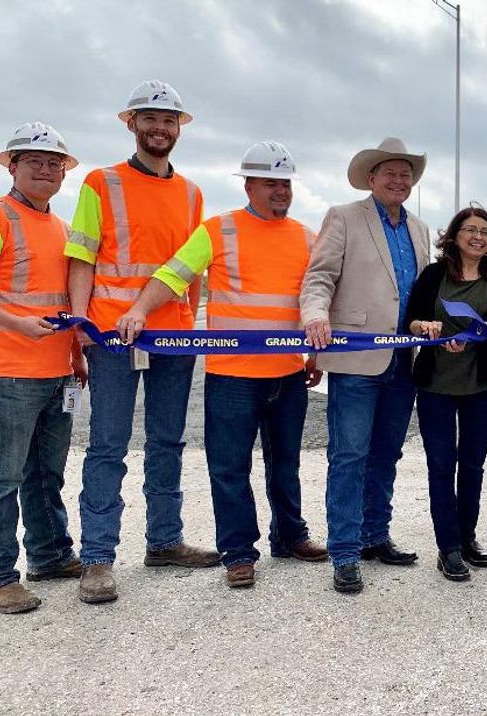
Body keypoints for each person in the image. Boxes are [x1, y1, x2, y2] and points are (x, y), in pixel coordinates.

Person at [114, 141, 329, 589]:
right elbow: (173, 276)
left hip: (288, 374)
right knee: (229, 468)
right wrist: (139, 309)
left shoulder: (308, 237)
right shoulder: (219, 231)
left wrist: (315, 355)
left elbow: (315, 298)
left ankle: (290, 536)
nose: (280, 191)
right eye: (270, 183)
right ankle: (238, 552)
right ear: (248, 185)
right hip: (232, 375)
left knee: (285, 463)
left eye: (285, 183)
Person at [65, 80, 218, 605]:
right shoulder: (99, 183)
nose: (160, 128)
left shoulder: (193, 193)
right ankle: (98, 558)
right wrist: (81, 327)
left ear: (179, 129)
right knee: (108, 446)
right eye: (150, 119)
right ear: (131, 124)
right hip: (110, 334)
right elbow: (81, 257)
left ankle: (165, 540)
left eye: (169, 120)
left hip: (173, 336)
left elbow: (192, 269)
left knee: (168, 441)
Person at [0, 123, 85, 613]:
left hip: (54, 371)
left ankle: (50, 554)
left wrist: (75, 355)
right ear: (12, 166)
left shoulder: (59, 228)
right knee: (1, 477)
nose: (45, 169)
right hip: (4, 373)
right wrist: (16, 324)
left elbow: (61, 303)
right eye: (33, 160)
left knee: (44, 475)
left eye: (54, 162)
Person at [301, 137, 430, 594]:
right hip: (356, 356)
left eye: (406, 173)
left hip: (404, 358)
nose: (399, 180)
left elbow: (420, 291)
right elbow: (319, 276)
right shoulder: (344, 217)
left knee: (386, 453)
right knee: (350, 455)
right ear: (371, 178)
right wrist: (315, 315)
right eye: (390, 172)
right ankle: (345, 550)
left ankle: (376, 535)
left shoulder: (419, 228)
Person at [404, 206, 487, 581]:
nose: (479, 237)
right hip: (435, 386)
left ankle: (467, 538)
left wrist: (465, 341)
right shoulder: (434, 275)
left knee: (472, 465)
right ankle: (447, 547)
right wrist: (424, 326)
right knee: (440, 465)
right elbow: (411, 319)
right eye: (471, 230)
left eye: (485, 231)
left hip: (479, 385)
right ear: (454, 236)